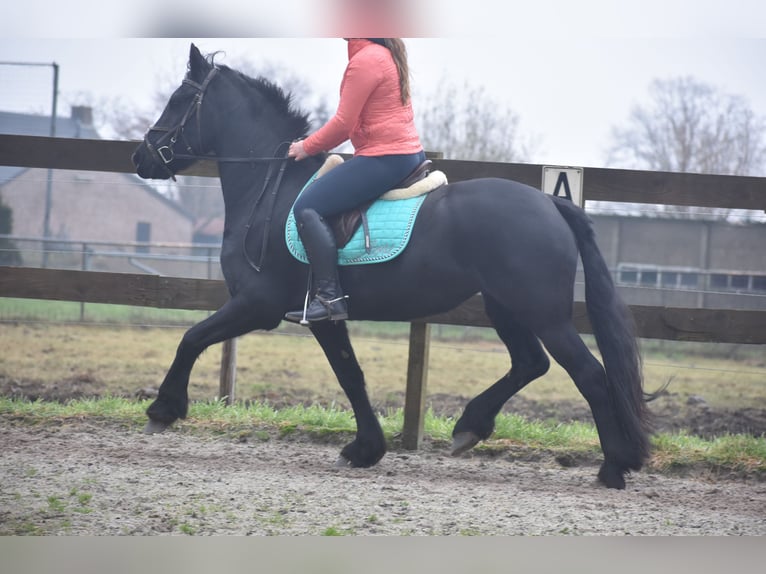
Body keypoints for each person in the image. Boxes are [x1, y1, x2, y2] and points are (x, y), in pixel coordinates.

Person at [284, 38, 426, 324]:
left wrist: (306, 147)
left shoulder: (365, 61)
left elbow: (343, 124)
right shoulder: (383, 54)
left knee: (308, 207)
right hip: (403, 153)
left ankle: (329, 298)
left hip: (385, 157)